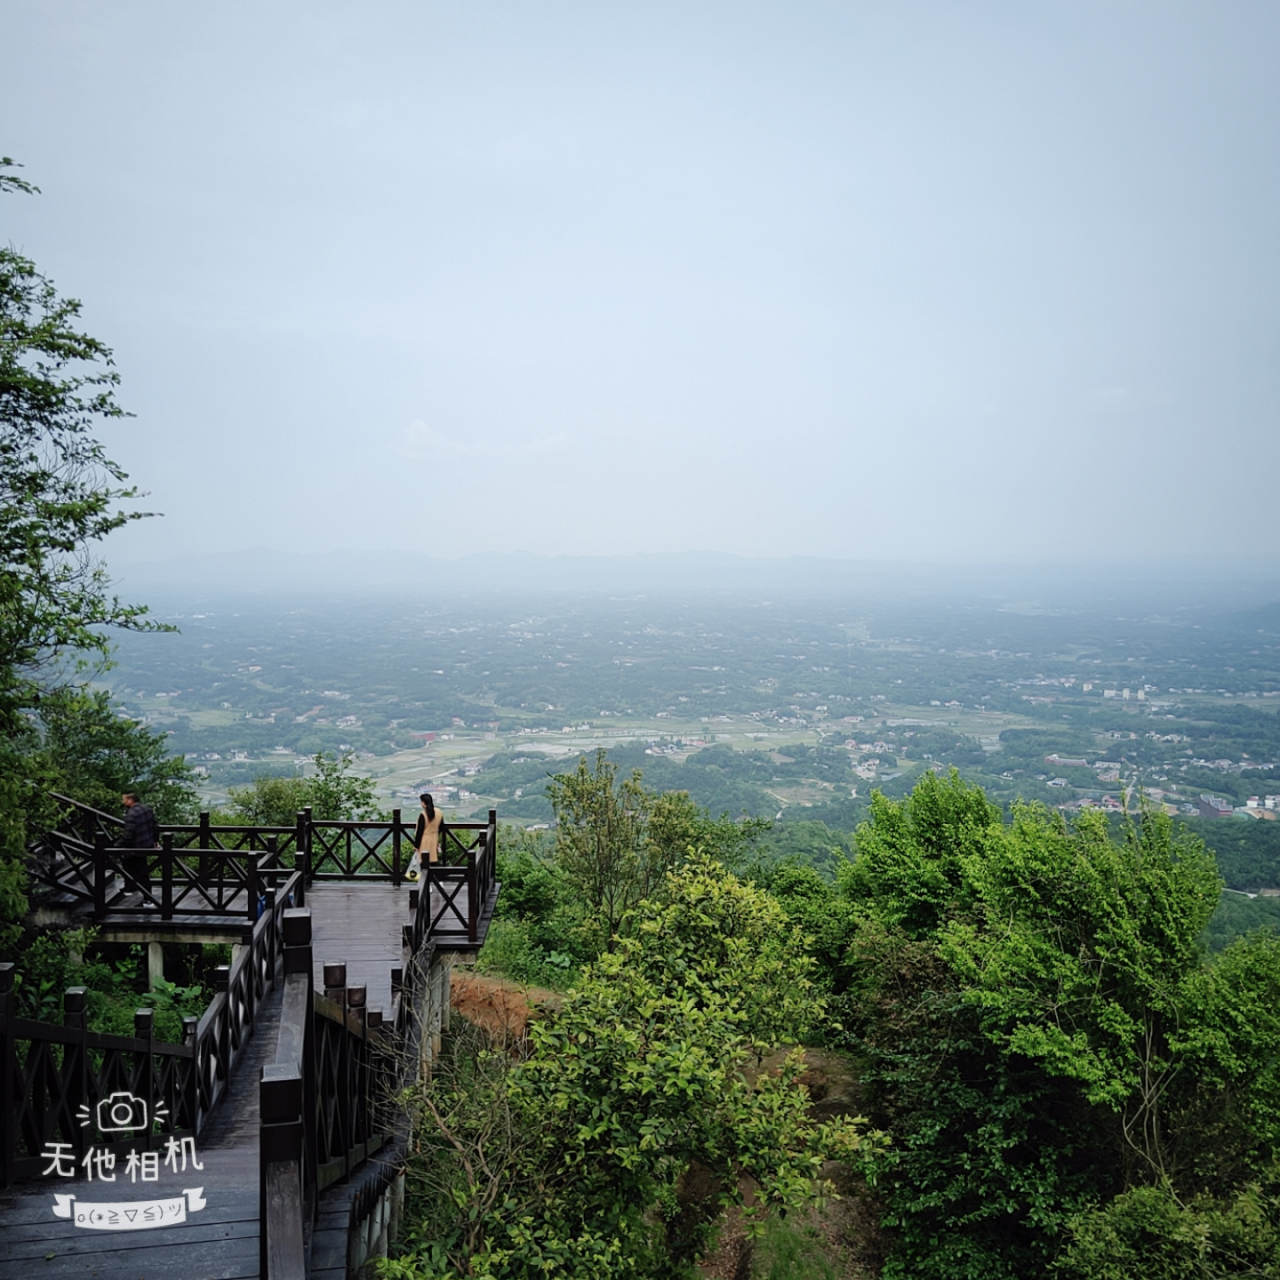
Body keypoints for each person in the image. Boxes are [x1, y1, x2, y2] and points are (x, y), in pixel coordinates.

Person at [120, 790, 159, 897]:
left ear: (130, 800)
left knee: (135, 869)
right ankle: (131, 888)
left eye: (124, 799)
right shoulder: (147, 809)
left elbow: (128, 835)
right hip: (147, 844)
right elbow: (155, 826)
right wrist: (155, 841)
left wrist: (118, 846)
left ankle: (145, 896)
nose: (123, 802)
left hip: (136, 847)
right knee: (140, 869)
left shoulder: (131, 814)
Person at [407, 793, 444, 881]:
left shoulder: (423, 815)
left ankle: (426, 884)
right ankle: (438, 881)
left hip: (424, 840)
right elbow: (442, 827)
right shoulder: (439, 812)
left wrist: (416, 846)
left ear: (424, 803)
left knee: (424, 864)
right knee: (434, 861)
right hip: (434, 839)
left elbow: (419, 832)